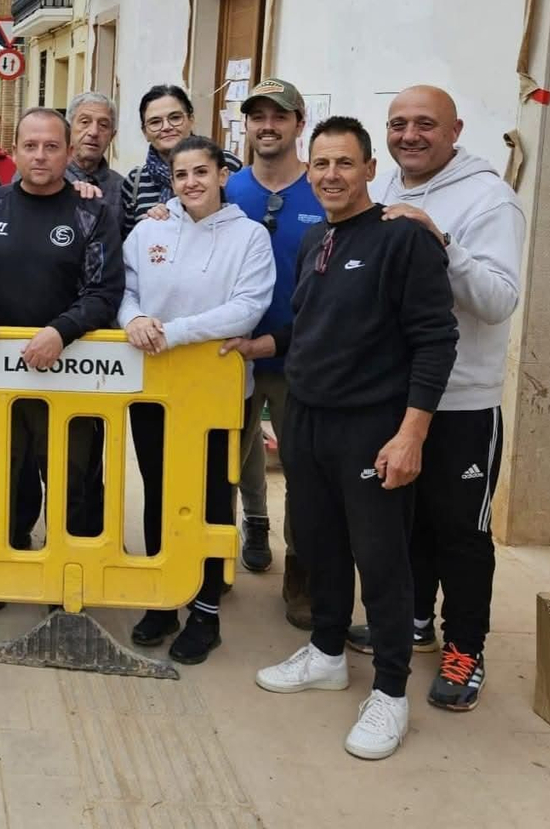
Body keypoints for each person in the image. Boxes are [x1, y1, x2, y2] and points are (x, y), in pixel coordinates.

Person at [233, 116, 457, 761]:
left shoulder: (402, 242)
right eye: (322, 165)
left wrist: (411, 434)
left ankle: (390, 692)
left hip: (371, 427)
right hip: (306, 419)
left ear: (369, 170)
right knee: (321, 544)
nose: (331, 176)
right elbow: (310, 328)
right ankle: (328, 652)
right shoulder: (316, 241)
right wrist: (260, 345)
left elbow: (436, 342)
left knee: (381, 559)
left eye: (345, 164)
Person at [345, 86, 524, 713]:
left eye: (425, 124)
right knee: (408, 520)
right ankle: (417, 619)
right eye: (398, 123)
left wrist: (442, 240)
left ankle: (466, 648)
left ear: (456, 129)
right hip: (398, 395)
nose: (410, 135)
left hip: (463, 402)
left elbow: (500, 300)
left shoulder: (489, 198)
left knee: (462, 532)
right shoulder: (388, 186)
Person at [0, 107, 124, 630]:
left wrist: (61, 331)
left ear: (68, 153)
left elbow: (105, 292)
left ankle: (71, 584)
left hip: (71, 375)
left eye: (51, 147)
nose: (40, 156)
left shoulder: (91, 214)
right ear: (15, 150)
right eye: (31, 146)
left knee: (74, 479)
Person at [119, 136, 273, 662]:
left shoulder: (249, 237)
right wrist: (134, 320)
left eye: (201, 172)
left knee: (208, 496)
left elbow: (247, 308)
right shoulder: (150, 230)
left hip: (215, 389)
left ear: (222, 174)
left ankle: (205, 611)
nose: (191, 183)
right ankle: (164, 597)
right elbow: (126, 289)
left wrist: (175, 333)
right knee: (160, 491)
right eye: (181, 175)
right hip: (153, 387)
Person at [227, 79, 322, 621]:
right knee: (229, 464)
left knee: (304, 473)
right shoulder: (228, 190)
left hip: (301, 361)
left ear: (298, 124)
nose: (267, 125)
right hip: (231, 357)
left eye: (278, 116)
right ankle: (239, 541)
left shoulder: (323, 190)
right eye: (257, 116)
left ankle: (302, 579)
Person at [121, 85, 242, 235]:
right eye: (155, 122)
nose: (166, 127)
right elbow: (128, 240)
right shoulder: (135, 181)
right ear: (145, 132)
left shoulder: (225, 163)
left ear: (191, 120)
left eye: (175, 118)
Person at [65, 90, 123, 236]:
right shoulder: (45, 176)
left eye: (103, 125)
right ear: (68, 129)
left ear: (112, 136)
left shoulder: (122, 188)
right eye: (85, 122)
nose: (94, 132)